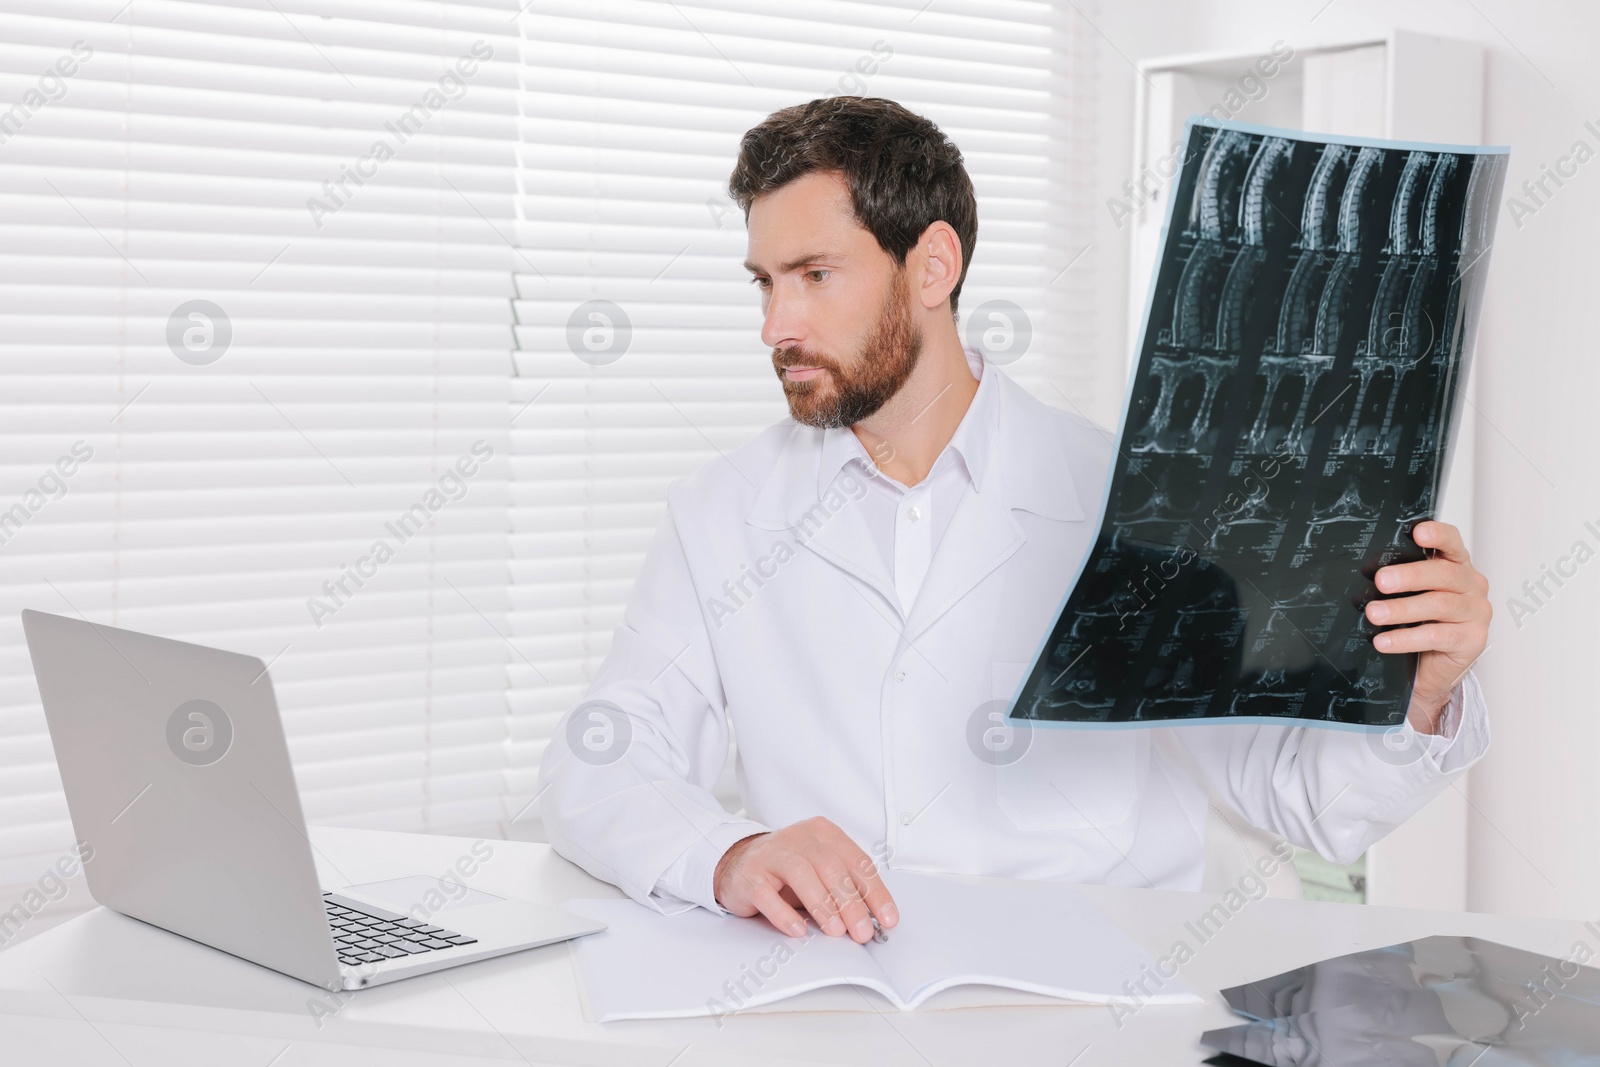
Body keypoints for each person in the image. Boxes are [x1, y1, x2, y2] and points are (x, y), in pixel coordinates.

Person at [538, 96, 1492, 947]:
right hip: (834, 1009)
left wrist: (1422, 691)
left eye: (814, 275)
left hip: (1096, 1014)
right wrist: (730, 851)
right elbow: (599, 761)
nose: (775, 325)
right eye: (764, 281)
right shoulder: (722, 512)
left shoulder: (1134, 502)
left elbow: (1307, 798)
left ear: (933, 264)